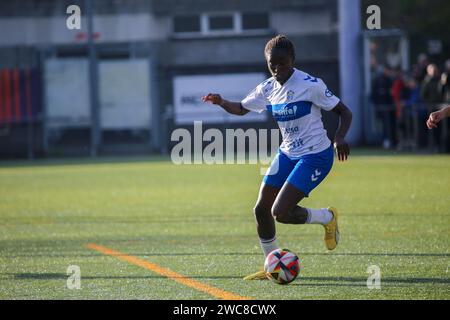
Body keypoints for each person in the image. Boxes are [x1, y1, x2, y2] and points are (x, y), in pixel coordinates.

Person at [201, 35, 353, 280]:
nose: (277, 69)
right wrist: (221, 102)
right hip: (287, 153)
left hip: (315, 156)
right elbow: (241, 108)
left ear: (292, 60)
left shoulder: (310, 85)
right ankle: (270, 264)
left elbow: (344, 112)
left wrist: (340, 137)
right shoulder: (268, 87)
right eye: (273, 64)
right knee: (261, 209)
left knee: (280, 212)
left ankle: (327, 217)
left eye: (283, 63)